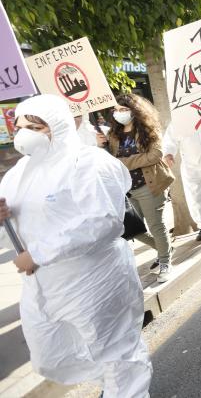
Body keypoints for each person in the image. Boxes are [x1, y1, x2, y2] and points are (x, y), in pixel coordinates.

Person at [0, 94, 152, 397]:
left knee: (118, 354)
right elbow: (13, 231)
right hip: (44, 287)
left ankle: (123, 387)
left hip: (94, 281)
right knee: (51, 358)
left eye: (35, 125)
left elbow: (104, 221)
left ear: (57, 126)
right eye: (19, 126)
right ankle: (112, 383)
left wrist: (40, 254)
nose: (24, 133)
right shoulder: (17, 175)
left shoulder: (89, 162)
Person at [107, 93, 175, 283]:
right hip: (127, 190)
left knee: (156, 226)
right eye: (116, 110)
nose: (119, 114)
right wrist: (101, 146)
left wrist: (124, 163)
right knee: (134, 229)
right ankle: (165, 249)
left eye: (123, 110)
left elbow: (155, 155)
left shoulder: (147, 129)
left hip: (149, 185)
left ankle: (165, 262)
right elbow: (109, 161)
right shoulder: (113, 134)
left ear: (135, 111)